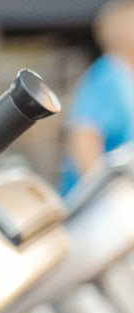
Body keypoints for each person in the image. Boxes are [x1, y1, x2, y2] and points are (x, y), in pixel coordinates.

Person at [60, 0, 134, 194]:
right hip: (103, 213)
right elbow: (83, 136)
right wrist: (104, 195)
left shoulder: (126, 76)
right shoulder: (108, 76)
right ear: (123, 31)